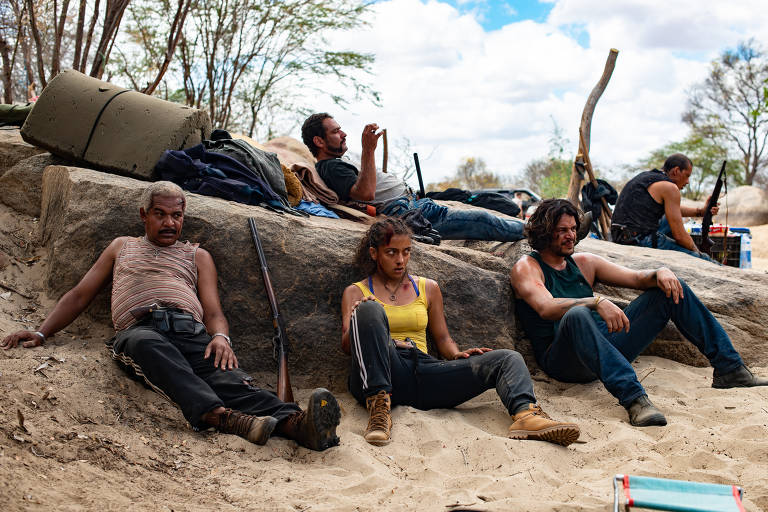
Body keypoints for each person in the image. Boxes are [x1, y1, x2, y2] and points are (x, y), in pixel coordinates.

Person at [1, 182, 341, 451]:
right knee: (148, 345)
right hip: (140, 330)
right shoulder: (122, 247)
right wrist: (42, 332)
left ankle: (300, 426)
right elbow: (79, 295)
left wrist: (220, 337)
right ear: (143, 214)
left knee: (231, 379)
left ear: (184, 215)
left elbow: (213, 312)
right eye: (160, 214)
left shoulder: (197, 255)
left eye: (176, 215)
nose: (169, 223)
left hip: (191, 332)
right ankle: (219, 416)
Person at [510, 199, 767, 427]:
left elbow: (637, 278)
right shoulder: (527, 267)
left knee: (671, 289)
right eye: (562, 230)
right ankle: (635, 401)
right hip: (564, 360)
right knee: (577, 315)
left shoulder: (585, 263)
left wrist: (661, 272)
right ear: (545, 232)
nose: (571, 235)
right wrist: (595, 301)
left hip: (608, 347)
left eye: (574, 229)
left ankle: (730, 369)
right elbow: (546, 307)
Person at [340, 217, 580, 447]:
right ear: (374, 254)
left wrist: (457, 355)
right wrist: (358, 319)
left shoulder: (428, 287)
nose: (401, 260)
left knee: (508, 358)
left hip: (421, 371)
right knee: (368, 309)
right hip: (380, 373)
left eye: (406, 251)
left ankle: (527, 414)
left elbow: (443, 339)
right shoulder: (356, 292)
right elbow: (348, 348)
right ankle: (379, 410)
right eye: (391, 252)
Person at [301, 113, 526, 242]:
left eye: (340, 129)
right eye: (335, 132)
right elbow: (365, 193)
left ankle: (533, 227)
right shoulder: (330, 167)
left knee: (483, 217)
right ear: (319, 142)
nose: (343, 134)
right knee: (482, 221)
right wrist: (368, 150)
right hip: (407, 213)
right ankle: (538, 232)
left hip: (415, 205)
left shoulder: (337, 163)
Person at [611, 153, 719, 261]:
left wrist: (700, 212)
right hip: (638, 239)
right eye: (687, 176)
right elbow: (679, 236)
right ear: (676, 171)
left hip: (619, 234)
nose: (687, 182)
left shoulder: (648, 177)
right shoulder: (669, 187)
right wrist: (698, 253)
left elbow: (673, 210)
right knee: (701, 258)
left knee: (670, 220)